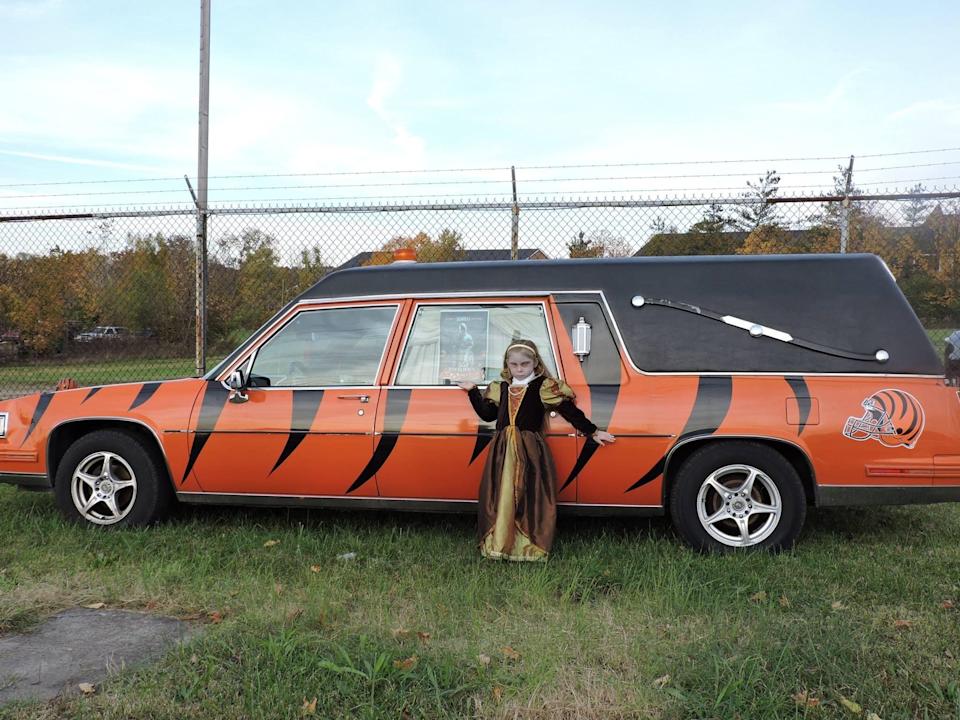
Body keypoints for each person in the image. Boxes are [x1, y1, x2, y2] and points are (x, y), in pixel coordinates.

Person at [457, 339, 615, 561]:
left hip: (529, 450)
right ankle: (499, 544)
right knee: (502, 493)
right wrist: (473, 391)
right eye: (514, 365)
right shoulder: (501, 387)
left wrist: (592, 431)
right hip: (502, 450)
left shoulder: (543, 387)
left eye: (525, 364)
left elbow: (569, 411)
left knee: (528, 493)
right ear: (507, 365)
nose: (519, 369)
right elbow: (488, 415)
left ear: (535, 364)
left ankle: (526, 546)